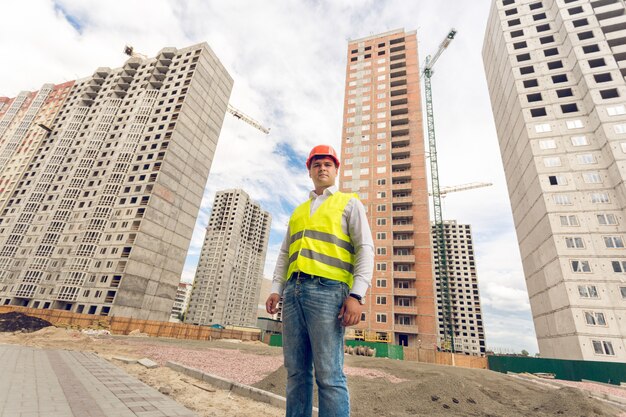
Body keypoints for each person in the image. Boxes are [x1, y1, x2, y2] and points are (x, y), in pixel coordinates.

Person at [266, 144, 374, 417]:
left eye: (327, 164)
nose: (322, 168)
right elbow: (284, 253)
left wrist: (357, 295)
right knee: (296, 372)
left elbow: (365, 249)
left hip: (329, 293)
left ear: (336, 170)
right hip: (293, 293)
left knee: (329, 375)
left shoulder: (349, 203)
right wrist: (276, 289)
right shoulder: (299, 211)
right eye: (317, 164)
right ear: (310, 171)